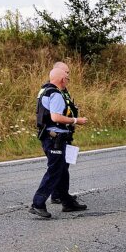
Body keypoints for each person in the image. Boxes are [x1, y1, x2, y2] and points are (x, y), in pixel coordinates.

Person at [30, 62, 88, 218]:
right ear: (62, 79)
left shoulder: (47, 91)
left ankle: (67, 202)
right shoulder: (55, 94)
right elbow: (55, 117)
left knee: (62, 170)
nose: (68, 80)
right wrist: (76, 120)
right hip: (55, 138)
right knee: (55, 170)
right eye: (67, 77)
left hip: (55, 137)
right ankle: (38, 203)